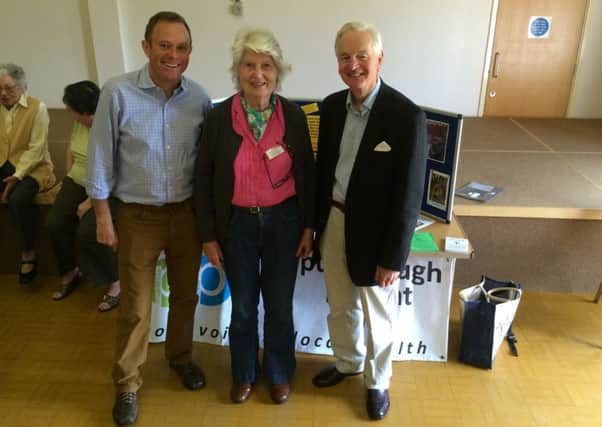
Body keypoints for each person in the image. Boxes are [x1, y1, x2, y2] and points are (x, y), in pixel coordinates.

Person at [86, 11, 211, 426]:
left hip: (187, 214)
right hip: (137, 215)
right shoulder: (117, 92)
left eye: (181, 47)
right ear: (146, 47)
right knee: (137, 306)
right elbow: (100, 158)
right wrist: (103, 216)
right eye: (164, 45)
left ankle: (180, 357)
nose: (172, 55)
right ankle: (127, 383)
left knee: (185, 296)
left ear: (189, 52)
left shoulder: (199, 99)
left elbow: (207, 163)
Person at [312, 22, 427, 421]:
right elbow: (322, 171)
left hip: (377, 236)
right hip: (334, 222)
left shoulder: (406, 116)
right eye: (345, 57)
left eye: (362, 56)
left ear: (379, 58)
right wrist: (314, 225)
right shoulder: (329, 107)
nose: (353, 65)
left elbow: (409, 196)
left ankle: (377, 382)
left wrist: (393, 258)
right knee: (340, 306)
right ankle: (347, 363)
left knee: (377, 315)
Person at [194, 28, 315, 405]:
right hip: (237, 225)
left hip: (284, 223)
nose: (257, 73)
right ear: (238, 70)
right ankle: (244, 372)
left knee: (279, 304)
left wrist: (309, 225)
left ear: (278, 72)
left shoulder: (293, 116)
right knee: (244, 306)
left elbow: (307, 174)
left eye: (266, 65)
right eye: (249, 65)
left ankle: (279, 372)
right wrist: (209, 234)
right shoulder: (218, 117)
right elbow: (203, 178)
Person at [46, 81, 120, 311]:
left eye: (71, 109)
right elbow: (71, 149)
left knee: (89, 232)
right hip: (77, 180)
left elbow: (114, 170)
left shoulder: (108, 126)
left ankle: (115, 283)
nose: (68, 112)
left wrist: (89, 202)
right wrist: (68, 178)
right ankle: (70, 271)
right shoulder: (79, 123)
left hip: (106, 187)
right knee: (54, 223)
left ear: (86, 112)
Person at [0, 63, 55, 284]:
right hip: (3, 165)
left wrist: (17, 176)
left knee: (18, 199)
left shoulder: (37, 107)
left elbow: (37, 148)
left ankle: (28, 252)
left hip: (34, 167)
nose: (3, 94)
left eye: (9, 88)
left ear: (23, 87)